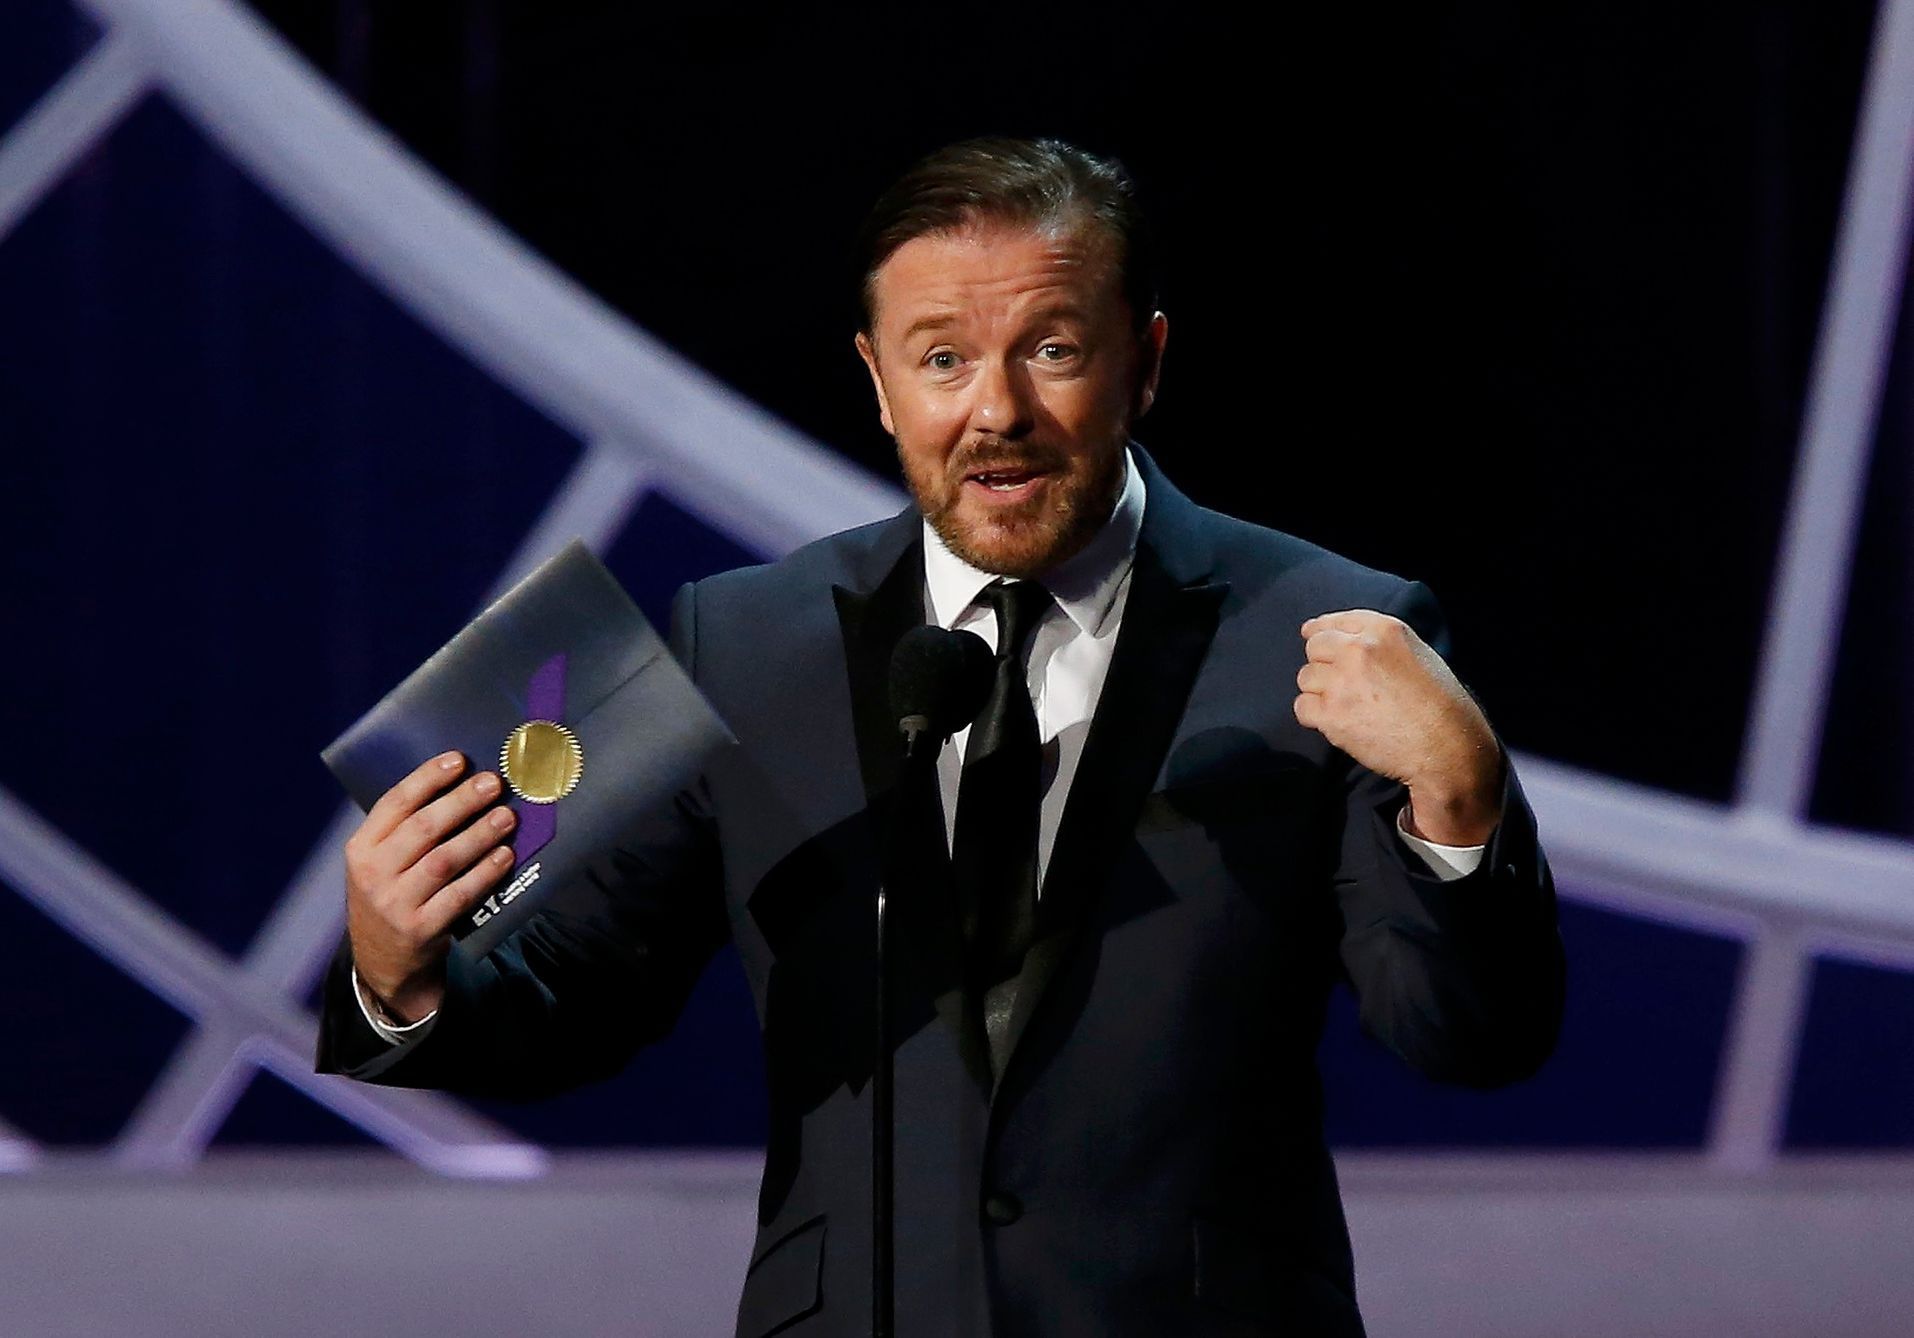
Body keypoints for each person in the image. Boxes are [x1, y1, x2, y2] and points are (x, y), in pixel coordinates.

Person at [317, 136, 1565, 1338]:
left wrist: (1459, 800)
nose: (997, 411)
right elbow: (575, 1000)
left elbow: (1465, 1037)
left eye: (1054, 350)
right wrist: (397, 973)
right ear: (877, 379)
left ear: (1146, 361)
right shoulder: (743, 641)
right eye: (942, 359)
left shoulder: (1321, 630)